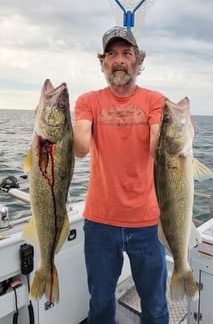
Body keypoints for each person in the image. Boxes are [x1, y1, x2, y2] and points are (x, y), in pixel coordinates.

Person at [73, 26, 169, 324]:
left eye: (126, 53)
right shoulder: (88, 101)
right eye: (112, 54)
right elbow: (79, 148)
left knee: (154, 306)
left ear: (137, 61)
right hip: (101, 223)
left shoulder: (155, 100)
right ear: (103, 62)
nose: (119, 60)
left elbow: (157, 147)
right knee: (100, 303)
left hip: (148, 222)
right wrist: (50, 130)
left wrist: (179, 134)